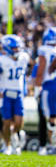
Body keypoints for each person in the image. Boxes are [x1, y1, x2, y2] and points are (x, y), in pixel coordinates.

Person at [0, 35, 30, 155]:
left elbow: (24, 75)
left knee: (19, 122)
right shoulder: (2, 60)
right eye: (14, 48)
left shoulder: (24, 57)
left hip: (18, 93)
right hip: (6, 93)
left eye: (17, 48)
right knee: (7, 122)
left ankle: (14, 135)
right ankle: (7, 145)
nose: (16, 50)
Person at [35, 27, 56, 155]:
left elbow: (41, 69)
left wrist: (37, 88)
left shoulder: (44, 50)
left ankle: (51, 144)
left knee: (48, 117)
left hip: (49, 86)